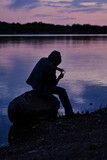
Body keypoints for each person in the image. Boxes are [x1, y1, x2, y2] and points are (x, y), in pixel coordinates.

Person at [26, 50, 74, 117]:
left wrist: (58, 69)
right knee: (62, 91)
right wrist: (59, 77)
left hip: (34, 85)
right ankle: (69, 113)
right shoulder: (51, 68)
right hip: (40, 89)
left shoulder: (43, 59)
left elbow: (48, 65)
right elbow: (54, 84)